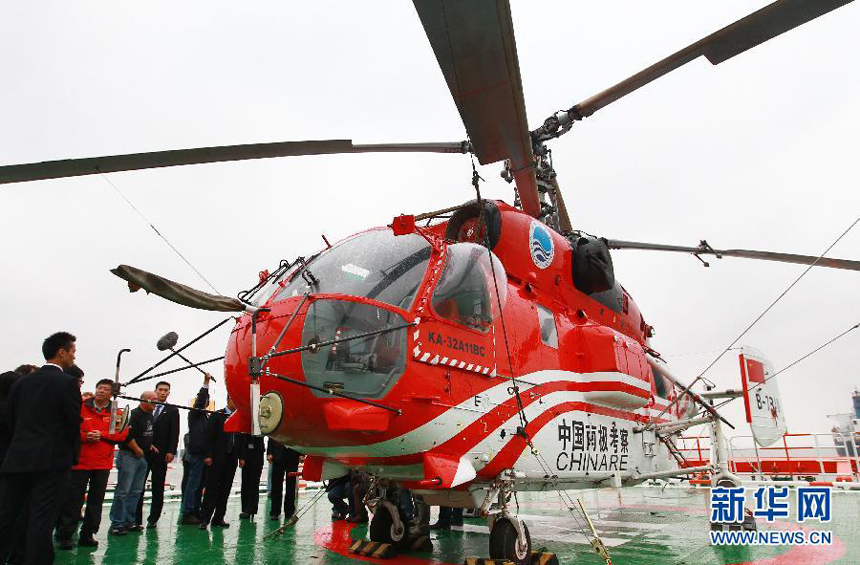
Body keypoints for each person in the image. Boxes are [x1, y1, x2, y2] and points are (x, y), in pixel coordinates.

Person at [0, 332, 82, 565]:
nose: (74, 356)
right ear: (62, 352)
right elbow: (71, 423)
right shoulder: (67, 383)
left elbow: (13, 420)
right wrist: (72, 456)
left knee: (8, 516)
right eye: (73, 351)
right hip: (52, 462)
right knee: (41, 519)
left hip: (17, 458)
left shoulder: (21, 382)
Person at [56, 378, 129, 549]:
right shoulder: (80, 408)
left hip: (102, 464)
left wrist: (101, 434)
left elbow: (122, 435)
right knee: (72, 501)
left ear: (111, 393)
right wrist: (85, 437)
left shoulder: (116, 413)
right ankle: (65, 535)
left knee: (96, 502)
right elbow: (69, 429)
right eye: (99, 388)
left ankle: (88, 534)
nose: (101, 391)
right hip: (80, 463)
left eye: (105, 389)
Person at [108, 391, 155, 535]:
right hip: (129, 456)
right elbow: (126, 435)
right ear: (144, 400)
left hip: (142, 457)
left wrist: (149, 446)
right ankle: (116, 523)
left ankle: (129, 521)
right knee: (123, 490)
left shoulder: (150, 416)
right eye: (153, 399)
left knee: (135, 491)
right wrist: (137, 449)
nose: (156, 402)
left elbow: (145, 434)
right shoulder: (134, 415)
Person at [135, 381, 179, 528]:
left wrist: (171, 451)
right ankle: (136, 518)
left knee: (158, 486)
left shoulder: (172, 410)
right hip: (143, 453)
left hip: (161, 454)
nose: (162, 392)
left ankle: (153, 518)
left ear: (169, 393)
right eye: (160, 390)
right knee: (139, 486)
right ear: (155, 391)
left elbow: (174, 432)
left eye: (165, 390)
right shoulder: (146, 409)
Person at [199, 396, 240, 529]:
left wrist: (241, 457)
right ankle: (204, 519)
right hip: (217, 457)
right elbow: (208, 436)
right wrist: (208, 455)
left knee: (225, 489)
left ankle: (219, 518)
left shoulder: (239, 417)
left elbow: (242, 437)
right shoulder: (217, 415)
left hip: (231, 458)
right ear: (228, 400)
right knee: (211, 488)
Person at [180, 373, 212, 525]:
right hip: (196, 455)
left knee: (198, 485)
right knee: (192, 485)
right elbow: (199, 403)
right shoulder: (195, 414)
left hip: (202, 456)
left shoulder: (205, 417)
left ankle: (194, 510)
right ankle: (187, 512)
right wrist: (205, 384)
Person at [267, 438, 301, 521]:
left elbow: (300, 435)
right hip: (278, 455)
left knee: (291, 486)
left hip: (293, 454)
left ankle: (289, 512)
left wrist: (301, 453)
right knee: (276, 485)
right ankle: (275, 512)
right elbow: (272, 435)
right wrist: (269, 452)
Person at [238, 434, 265, 519]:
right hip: (247, 455)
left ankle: (251, 509)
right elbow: (242, 439)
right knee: (245, 482)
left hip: (257, 453)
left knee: (254, 483)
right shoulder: (245, 423)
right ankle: (245, 508)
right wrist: (241, 457)